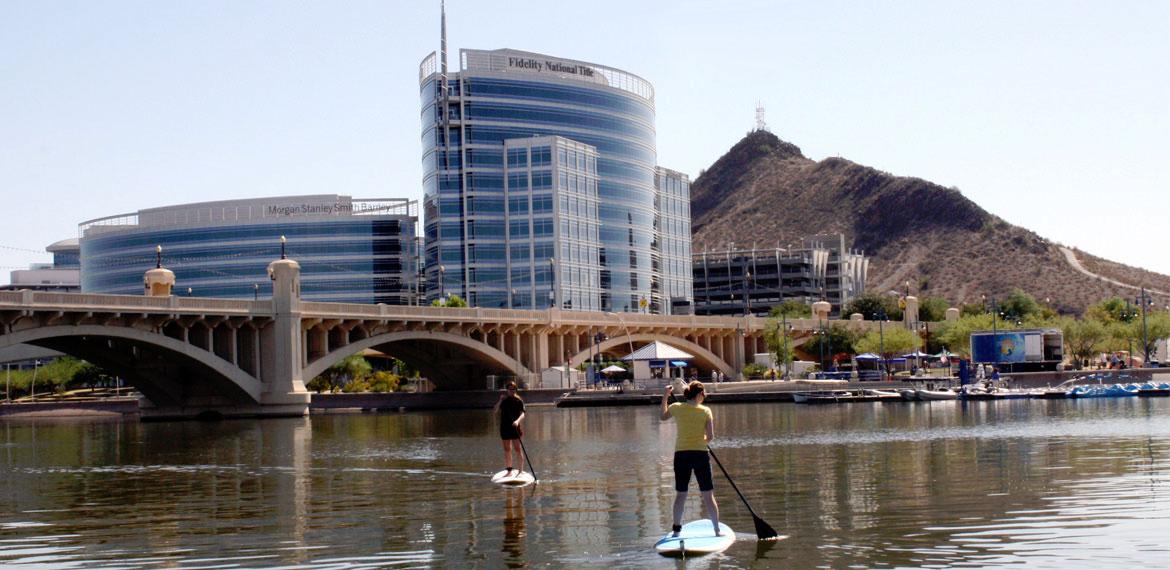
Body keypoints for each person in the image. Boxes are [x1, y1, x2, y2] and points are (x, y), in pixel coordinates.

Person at [660, 381, 721, 538]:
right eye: (704, 394)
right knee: (708, 495)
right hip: (700, 454)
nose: (705, 397)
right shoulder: (706, 411)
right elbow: (711, 437)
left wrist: (665, 396)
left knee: (681, 494)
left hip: (681, 454)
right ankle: (717, 531)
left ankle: (676, 531)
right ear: (699, 394)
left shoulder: (676, 407)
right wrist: (701, 441)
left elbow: (663, 416)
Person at [494, 381, 526, 476]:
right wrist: (500, 400)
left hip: (515, 427)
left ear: (516, 390)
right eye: (510, 389)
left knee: (517, 449)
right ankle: (509, 471)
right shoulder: (504, 401)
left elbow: (523, 413)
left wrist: (517, 421)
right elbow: (495, 410)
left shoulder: (519, 400)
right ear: (507, 390)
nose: (512, 391)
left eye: (514, 389)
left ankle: (520, 471)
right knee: (507, 449)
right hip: (505, 428)